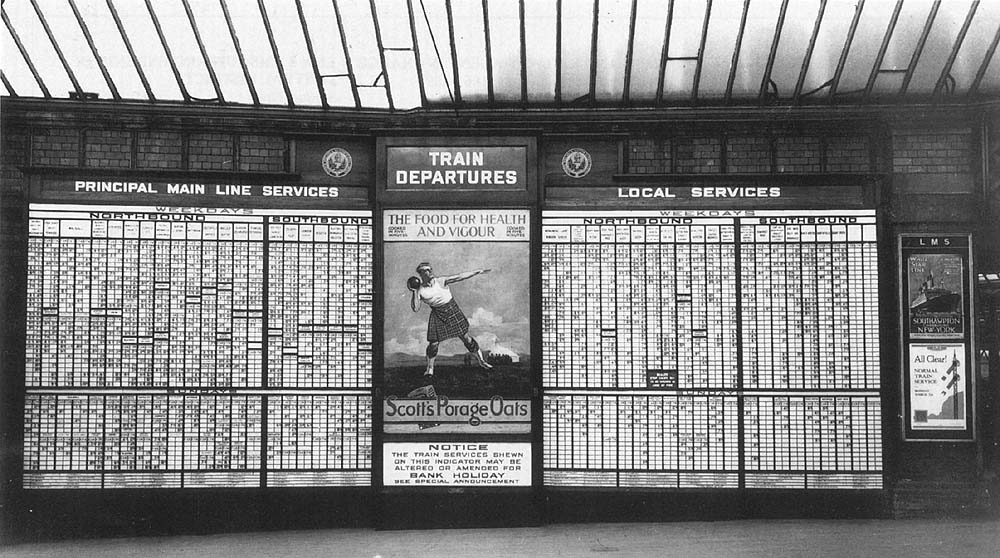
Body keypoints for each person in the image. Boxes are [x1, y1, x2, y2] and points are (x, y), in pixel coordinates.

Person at [409, 261, 492, 376]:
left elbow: (459, 277)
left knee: (466, 338)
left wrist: (476, 272)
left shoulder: (441, 281)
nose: (430, 272)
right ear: (421, 274)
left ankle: (482, 361)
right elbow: (416, 308)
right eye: (426, 270)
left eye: (430, 269)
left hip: (452, 310)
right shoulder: (420, 290)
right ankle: (429, 369)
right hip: (438, 314)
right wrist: (414, 291)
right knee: (433, 344)